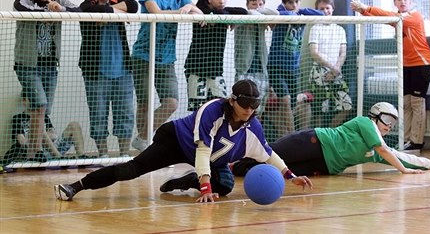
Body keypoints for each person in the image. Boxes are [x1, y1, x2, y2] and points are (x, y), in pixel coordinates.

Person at [54, 80, 313, 203]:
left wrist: (291, 176)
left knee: (223, 186)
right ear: (232, 100)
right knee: (131, 170)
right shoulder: (213, 110)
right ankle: (75, 186)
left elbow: (267, 154)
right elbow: (202, 150)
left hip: (210, 159)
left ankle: (185, 181)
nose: (248, 110)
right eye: (244, 104)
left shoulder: (252, 125)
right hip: (177, 142)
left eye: (253, 106)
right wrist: (204, 189)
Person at [231, 102, 430, 177]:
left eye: (393, 123)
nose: (389, 125)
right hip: (315, 142)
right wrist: (404, 171)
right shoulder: (365, 123)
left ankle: (233, 170)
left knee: (275, 169)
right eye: (386, 119)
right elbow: (385, 151)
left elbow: (399, 156)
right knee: (268, 152)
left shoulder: (379, 150)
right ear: (376, 116)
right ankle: (226, 161)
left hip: (324, 166)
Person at [131, 0, 203, 152]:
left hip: (167, 58)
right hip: (143, 56)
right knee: (144, 102)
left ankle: (142, 137)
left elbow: (199, 13)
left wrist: (189, 6)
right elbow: (157, 13)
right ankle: (143, 146)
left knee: (171, 102)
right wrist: (182, 11)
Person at [350, 0, 430, 152]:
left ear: (411, 1)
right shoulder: (396, 18)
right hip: (407, 65)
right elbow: (381, 18)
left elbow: (388, 15)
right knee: (406, 103)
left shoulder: (414, 15)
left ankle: (417, 141)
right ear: (395, 3)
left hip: (422, 64)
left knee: (417, 102)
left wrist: (367, 7)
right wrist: (363, 11)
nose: (402, 2)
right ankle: (408, 139)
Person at [13, 0, 80, 162]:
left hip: (50, 64)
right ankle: (34, 154)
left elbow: (79, 11)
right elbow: (20, 8)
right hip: (27, 63)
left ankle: (33, 154)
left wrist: (62, 10)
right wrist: (46, 11)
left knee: (43, 109)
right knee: (39, 105)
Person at [79, 0, 138, 157]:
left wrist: (114, 10)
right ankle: (103, 155)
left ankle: (123, 155)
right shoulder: (86, 5)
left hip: (123, 71)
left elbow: (133, 5)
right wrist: (118, 12)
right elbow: (95, 11)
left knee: (125, 114)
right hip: (95, 72)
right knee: (98, 115)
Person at [266, 0, 323, 136]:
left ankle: (290, 134)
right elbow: (280, 13)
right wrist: (291, 13)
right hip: (276, 66)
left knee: (292, 103)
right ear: (284, 3)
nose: (294, 5)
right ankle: (292, 136)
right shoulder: (280, 14)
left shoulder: (301, 13)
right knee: (285, 100)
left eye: (297, 2)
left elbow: (321, 14)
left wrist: (300, 11)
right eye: (290, 3)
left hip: (293, 67)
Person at [184, 0, 247, 111]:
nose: (221, 1)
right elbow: (193, 7)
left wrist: (229, 18)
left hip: (216, 70)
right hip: (197, 69)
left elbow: (243, 12)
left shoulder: (224, 14)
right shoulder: (200, 13)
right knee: (198, 111)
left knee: (221, 109)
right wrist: (211, 15)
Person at [2, 91, 85, 166]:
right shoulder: (18, 118)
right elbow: (22, 142)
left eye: (36, 98)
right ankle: (58, 157)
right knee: (40, 130)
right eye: (31, 98)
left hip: (52, 148)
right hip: (33, 152)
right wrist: (38, 135)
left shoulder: (43, 116)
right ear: (24, 101)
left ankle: (82, 158)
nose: (34, 101)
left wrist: (41, 136)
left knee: (74, 125)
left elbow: (54, 136)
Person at [308, 0, 352, 127]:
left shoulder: (340, 29)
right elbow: (314, 53)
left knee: (347, 106)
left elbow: (343, 53)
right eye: (321, 9)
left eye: (327, 8)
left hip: (336, 72)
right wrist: (330, 67)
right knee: (320, 110)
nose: (325, 11)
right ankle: (318, 140)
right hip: (319, 73)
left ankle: (332, 134)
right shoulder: (315, 28)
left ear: (332, 9)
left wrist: (335, 69)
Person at [234, 0, 278, 113]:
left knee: (258, 105)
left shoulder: (261, 20)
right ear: (247, 4)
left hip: (260, 68)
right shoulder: (243, 16)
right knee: (242, 103)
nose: (257, 7)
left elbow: (276, 13)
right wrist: (257, 11)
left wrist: (260, 10)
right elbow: (251, 14)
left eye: (260, 4)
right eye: (254, 4)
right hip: (244, 67)